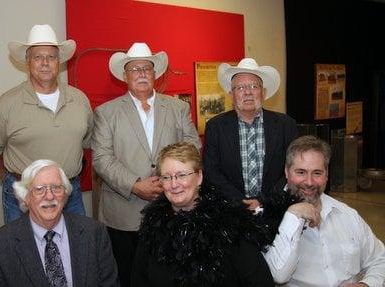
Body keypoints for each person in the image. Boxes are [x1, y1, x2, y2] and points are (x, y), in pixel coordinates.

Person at [92, 42, 201, 287]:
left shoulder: (178, 108)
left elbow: (193, 148)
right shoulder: (106, 113)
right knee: (130, 276)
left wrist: (167, 180)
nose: (141, 73)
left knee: (172, 274)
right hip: (124, 212)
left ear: (155, 74)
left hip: (171, 207)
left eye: (146, 68)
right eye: (134, 69)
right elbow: (101, 158)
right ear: (124, 76)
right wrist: (134, 184)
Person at [0, 24, 92, 223]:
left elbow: (86, 141)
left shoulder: (79, 99)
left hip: (70, 195)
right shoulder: (7, 104)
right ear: (27, 62)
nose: (45, 63)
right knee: (24, 252)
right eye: (38, 57)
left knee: (76, 250)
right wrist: (14, 182)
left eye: (51, 56)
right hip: (24, 196)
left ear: (60, 61)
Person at [131, 142, 275, 287]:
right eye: (167, 177)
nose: (174, 184)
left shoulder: (229, 224)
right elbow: (139, 279)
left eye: (182, 175)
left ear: (199, 177)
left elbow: (260, 281)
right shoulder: (153, 226)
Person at [264, 135, 385, 286]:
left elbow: (380, 259)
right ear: (287, 172)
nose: (309, 182)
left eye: (317, 173)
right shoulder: (265, 218)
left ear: (326, 175)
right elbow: (278, 276)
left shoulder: (346, 214)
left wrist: (366, 284)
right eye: (301, 172)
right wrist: (293, 216)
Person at [0, 159, 119, 287]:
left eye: (56, 188)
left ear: (65, 194)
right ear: (25, 196)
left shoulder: (94, 232)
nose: (50, 196)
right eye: (39, 189)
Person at [203, 57, 298, 211]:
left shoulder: (286, 125)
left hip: (276, 209)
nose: (247, 92)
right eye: (240, 88)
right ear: (231, 94)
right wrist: (240, 202)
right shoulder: (215, 127)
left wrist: (263, 201)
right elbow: (212, 172)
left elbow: (293, 168)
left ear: (264, 92)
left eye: (254, 86)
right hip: (231, 211)